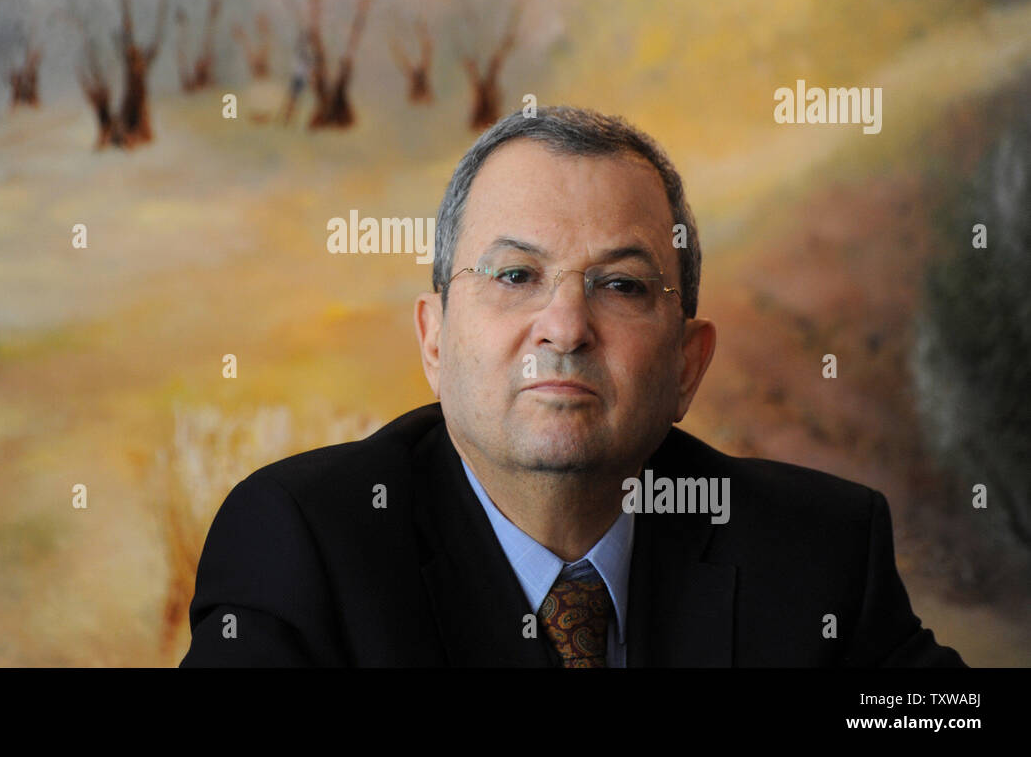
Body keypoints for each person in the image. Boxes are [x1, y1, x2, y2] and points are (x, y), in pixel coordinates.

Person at [180, 106, 965, 667]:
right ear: (433, 336)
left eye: (620, 286)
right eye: (516, 274)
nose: (564, 325)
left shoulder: (818, 550)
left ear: (688, 365)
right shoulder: (300, 545)